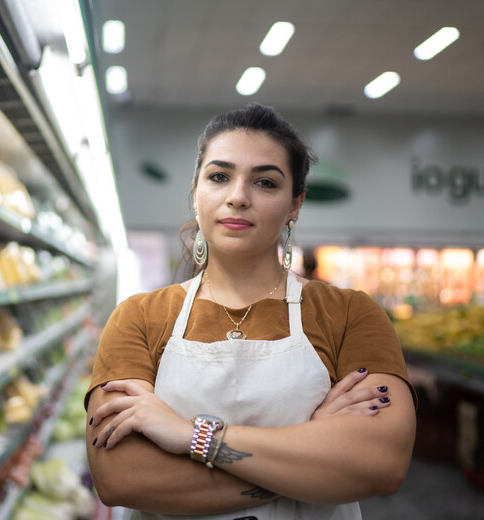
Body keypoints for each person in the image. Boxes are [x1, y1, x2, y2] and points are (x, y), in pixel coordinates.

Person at [85, 104, 416, 519]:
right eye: (219, 176)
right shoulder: (138, 317)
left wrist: (192, 436)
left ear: (296, 203)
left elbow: (379, 464)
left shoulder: (351, 315)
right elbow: (122, 477)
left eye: (265, 182)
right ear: (195, 191)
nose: (238, 197)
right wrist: (311, 454)